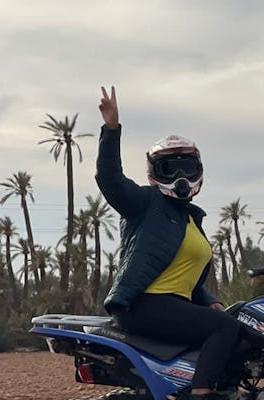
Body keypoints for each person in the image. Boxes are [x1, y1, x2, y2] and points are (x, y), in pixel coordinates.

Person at [96, 86, 238, 400]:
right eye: (169, 169)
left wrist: (209, 300)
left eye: (186, 168)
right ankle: (200, 394)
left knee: (235, 323)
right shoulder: (145, 204)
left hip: (172, 304)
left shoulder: (190, 218)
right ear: (153, 173)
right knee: (225, 328)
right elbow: (110, 179)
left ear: (198, 171)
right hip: (144, 304)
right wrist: (111, 128)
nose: (180, 176)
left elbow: (182, 275)